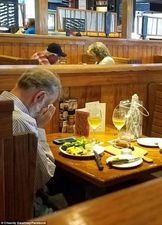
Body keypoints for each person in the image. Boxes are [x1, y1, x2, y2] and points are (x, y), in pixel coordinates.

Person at [0, 68, 61, 192]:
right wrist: (39, 128)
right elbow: (42, 176)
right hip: (13, 204)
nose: (44, 111)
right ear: (39, 96)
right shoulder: (21, 121)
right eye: (46, 105)